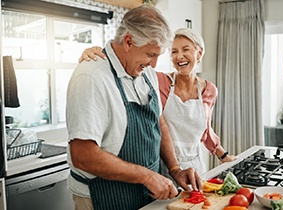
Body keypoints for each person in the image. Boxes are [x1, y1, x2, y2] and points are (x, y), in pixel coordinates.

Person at [66, 5, 202, 210]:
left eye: (158, 55)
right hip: (103, 196)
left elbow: (158, 120)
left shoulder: (145, 72)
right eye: (150, 54)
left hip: (145, 192)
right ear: (129, 41)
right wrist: (146, 176)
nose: (155, 64)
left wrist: (175, 169)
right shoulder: (91, 77)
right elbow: (83, 156)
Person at [79, 27, 237, 179]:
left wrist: (224, 156)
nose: (179, 56)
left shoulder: (209, 90)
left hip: (195, 169)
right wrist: (98, 53)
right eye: (174, 51)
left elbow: (206, 130)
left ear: (199, 53)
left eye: (186, 49)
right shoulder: (159, 80)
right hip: (162, 169)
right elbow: (128, 64)